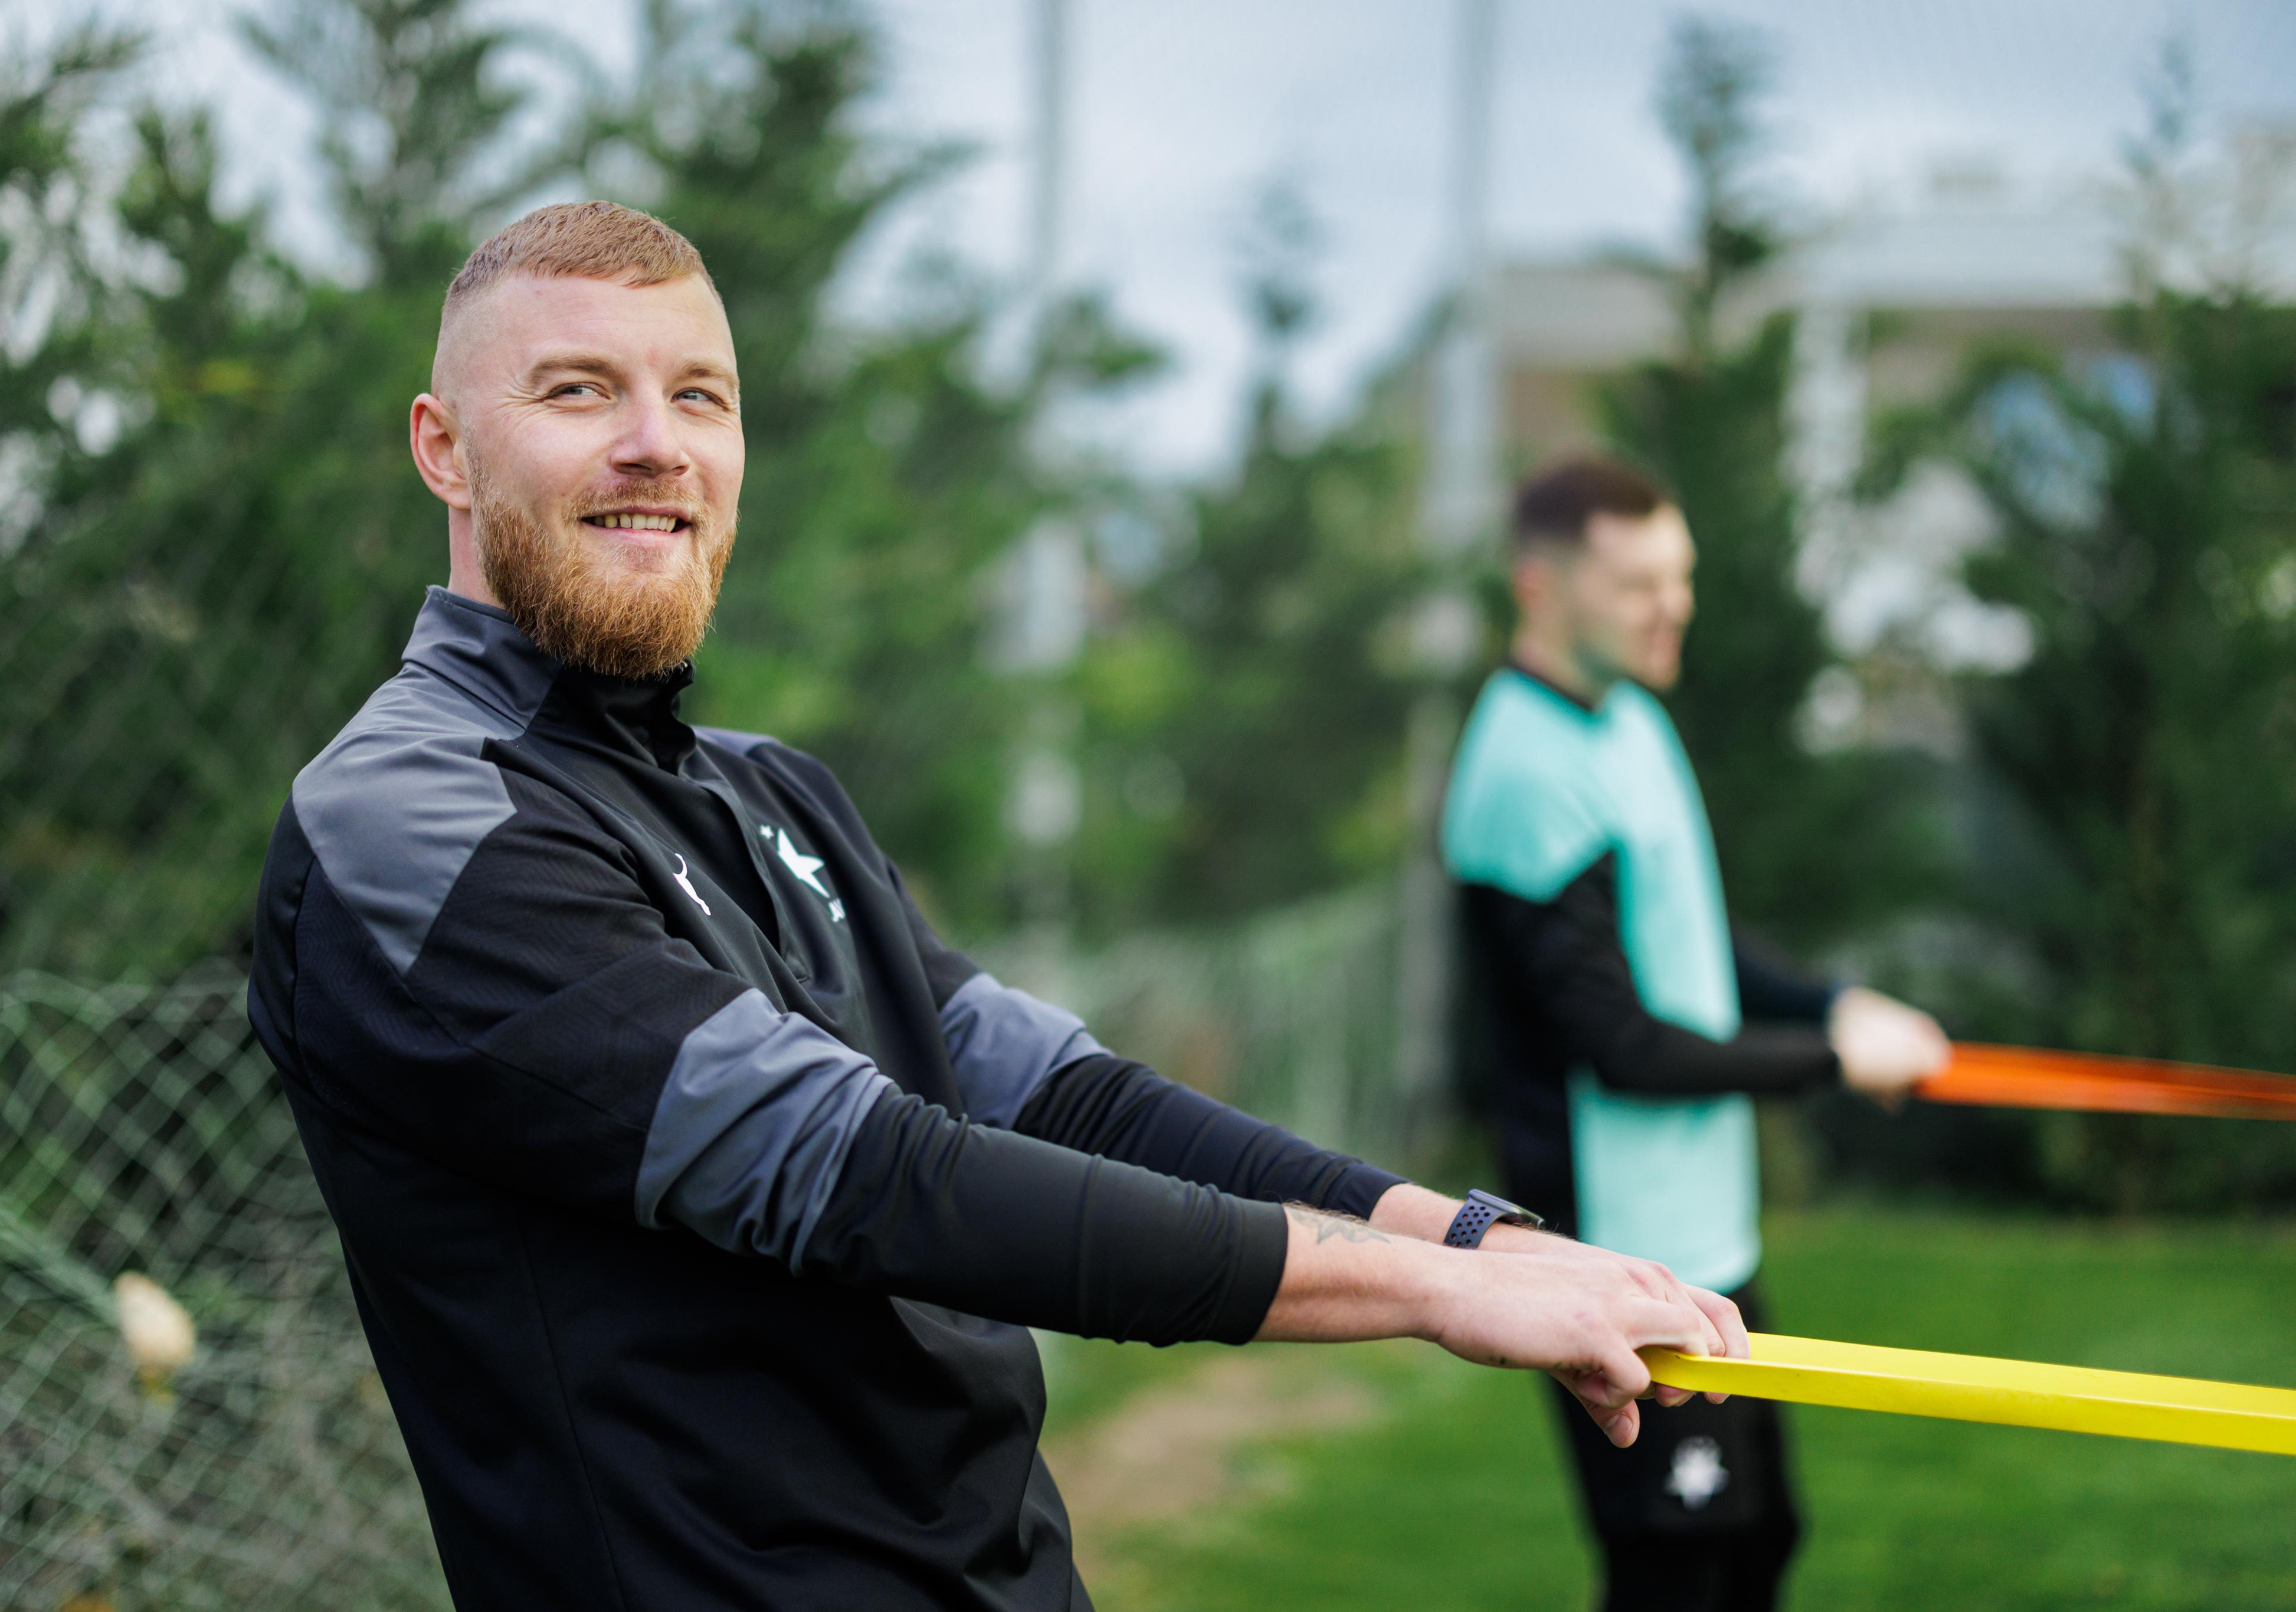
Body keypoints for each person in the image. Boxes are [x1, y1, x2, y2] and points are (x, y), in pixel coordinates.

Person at [247, 202, 1745, 1612]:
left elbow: (1065, 1096)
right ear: (445, 450)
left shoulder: (772, 791)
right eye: (579, 391)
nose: (658, 446)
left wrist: (1469, 1234)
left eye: (700, 396)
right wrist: (1427, 1294)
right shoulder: (410, 814)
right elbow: (867, 1174)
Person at [1440, 457, 1950, 1611]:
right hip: (1610, 1254)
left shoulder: (1625, 714)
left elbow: (1689, 940)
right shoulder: (1523, 770)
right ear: (1539, 587)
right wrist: (1830, 1063)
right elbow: (1622, 1042)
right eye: (1636, 583)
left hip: (1701, 1240)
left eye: (1679, 576)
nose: (1671, 606)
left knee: (1760, 1536)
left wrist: (1829, 1004)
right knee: (1676, 1570)